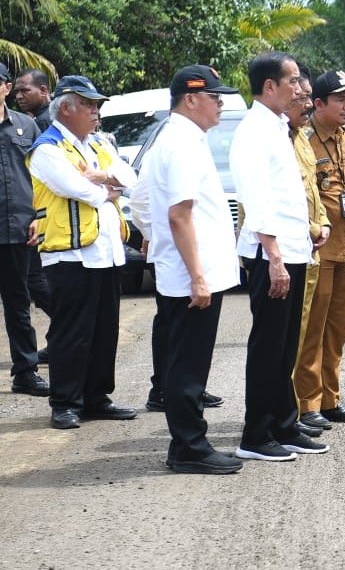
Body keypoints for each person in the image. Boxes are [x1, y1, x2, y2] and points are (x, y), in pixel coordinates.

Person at [131, 65, 243, 474]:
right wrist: (197, 276)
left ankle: (189, 443)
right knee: (187, 366)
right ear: (191, 99)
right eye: (215, 97)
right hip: (192, 275)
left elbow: (144, 198)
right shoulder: (180, 143)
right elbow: (179, 215)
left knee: (188, 362)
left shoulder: (182, 138)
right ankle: (189, 447)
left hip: (192, 271)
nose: (221, 104)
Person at [229, 52, 327, 461]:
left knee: (286, 347)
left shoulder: (278, 127)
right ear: (269, 86)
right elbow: (257, 201)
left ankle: (284, 425)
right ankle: (256, 434)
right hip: (272, 254)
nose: (300, 88)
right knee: (268, 346)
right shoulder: (254, 130)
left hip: (292, 249)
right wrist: (274, 257)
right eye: (293, 81)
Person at [28, 75, 138, 429]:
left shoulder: (98, 143)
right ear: (65, 108)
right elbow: (77, 189)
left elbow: (130, 179)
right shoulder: (47, 148)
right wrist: (107, 187)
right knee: (71, 332)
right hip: (71, 255)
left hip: (106, 252)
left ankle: (96, 397)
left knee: (105, 330)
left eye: (96, 105)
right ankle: (65, 402)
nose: (96, 112)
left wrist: (102, 178)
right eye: (88, 105)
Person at [293, 70, 345, 430]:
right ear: (318, 103)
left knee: (337, 329)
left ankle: (330, 399)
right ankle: (307, 404)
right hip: (318, 250)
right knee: (312, 330)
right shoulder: (304, 140)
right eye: (340, 99)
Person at [282, 68, 328, 439]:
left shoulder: (301, 137)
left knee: (302, 334)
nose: (307, 104)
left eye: (308, 97)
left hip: (309, 248)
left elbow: (312, 189)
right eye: (300, 98)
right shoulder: (274, 140)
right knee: (285, 340)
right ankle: (286, 413)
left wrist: (322, 222)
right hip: (284, 250)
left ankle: (291, 412)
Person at [0, 61, 48, 397]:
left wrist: (38, 216)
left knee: (18, 305)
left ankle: (26, 372)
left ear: (5, 87)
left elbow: (42, 177)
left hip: (18, 229)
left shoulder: (26, 126)